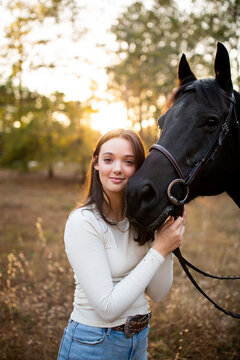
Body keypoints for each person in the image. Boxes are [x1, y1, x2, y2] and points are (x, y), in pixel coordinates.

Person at [57, 128, 186, 360]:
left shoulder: (141, 221)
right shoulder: (83, 222)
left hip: (138, 343)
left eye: (128, 162)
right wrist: (159, 249)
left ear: (139, 168)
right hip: (93, 344)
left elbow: (158, 293)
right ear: (96, 163)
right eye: (108, 160)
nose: (117, 169)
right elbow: (107, 308)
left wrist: (165, 238)